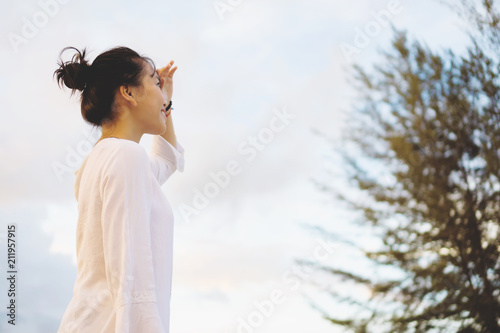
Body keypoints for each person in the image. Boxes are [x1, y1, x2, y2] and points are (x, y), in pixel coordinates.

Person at [53, 46, 184, 332]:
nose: (162, 94)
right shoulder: (126, 156)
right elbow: (130, 274)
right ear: (128, 93)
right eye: (155, 82)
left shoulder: (103, 159)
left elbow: (166, 159)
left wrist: (167, 103)